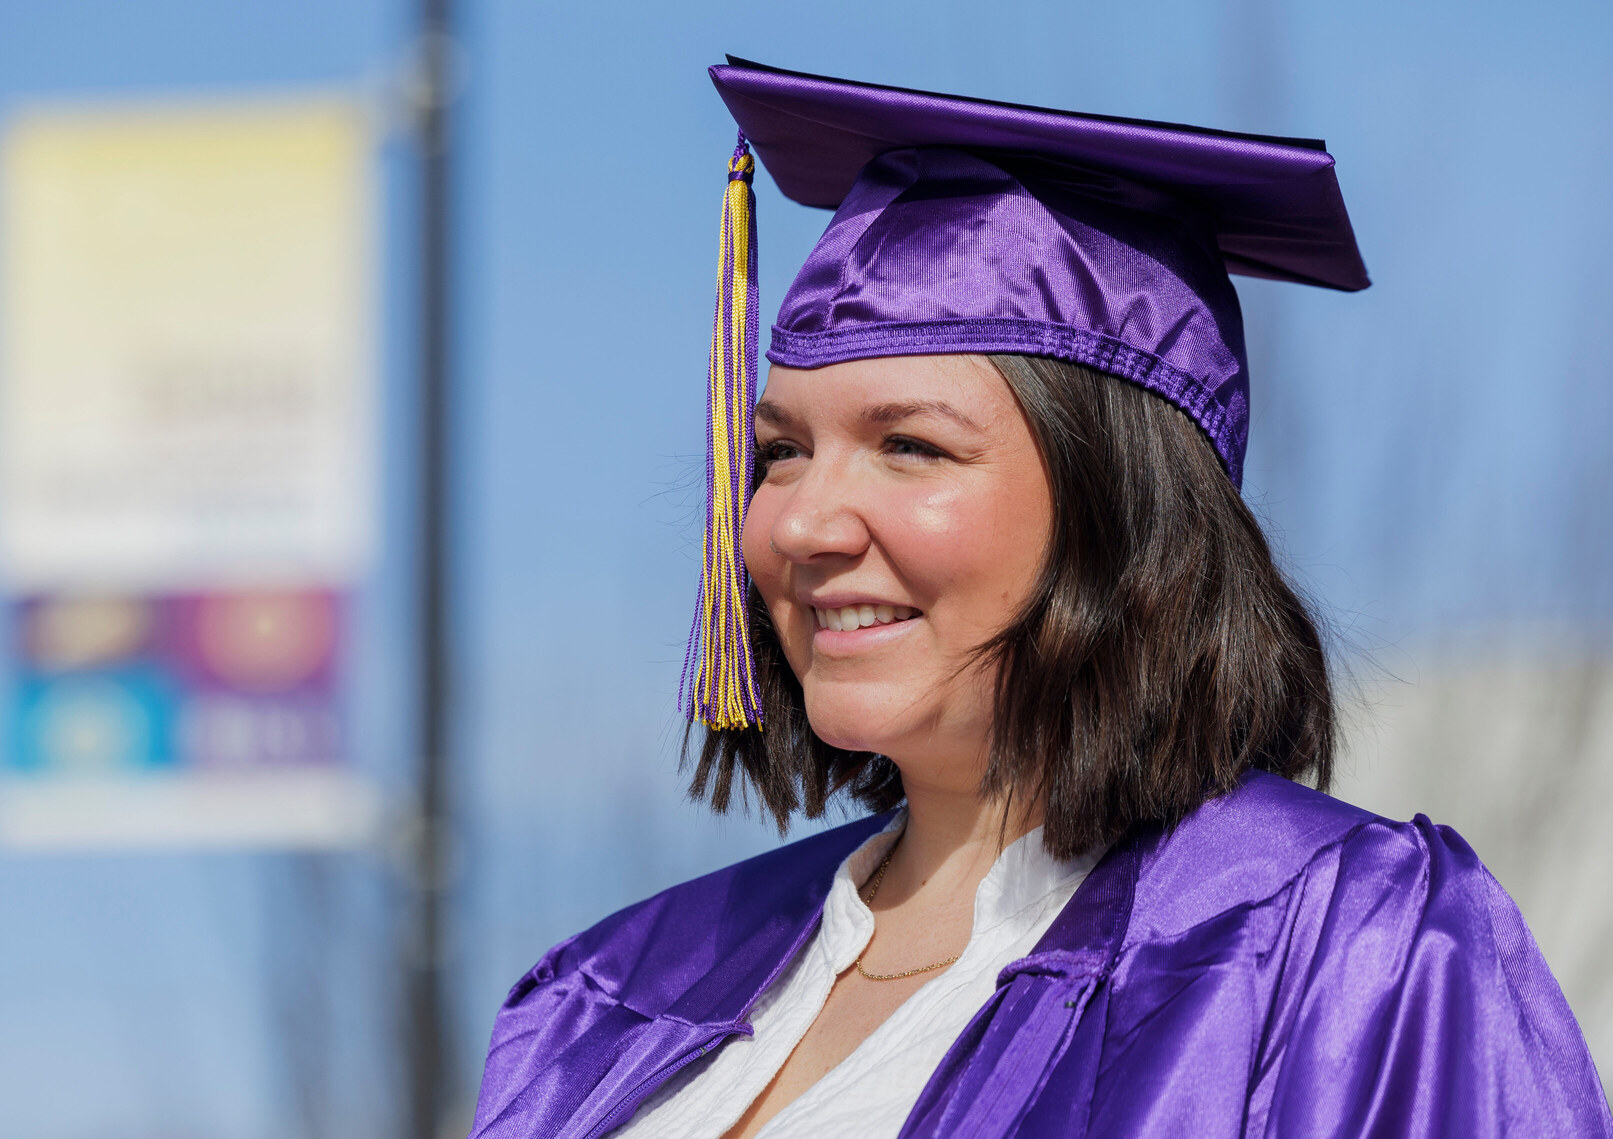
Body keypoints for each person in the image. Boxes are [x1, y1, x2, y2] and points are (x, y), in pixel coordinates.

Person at [469, 59, 1612, 1138]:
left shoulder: (1342, 949)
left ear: (1120, 509)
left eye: (907, 444)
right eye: (778, 453)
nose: (803, 522)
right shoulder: (612, 991)